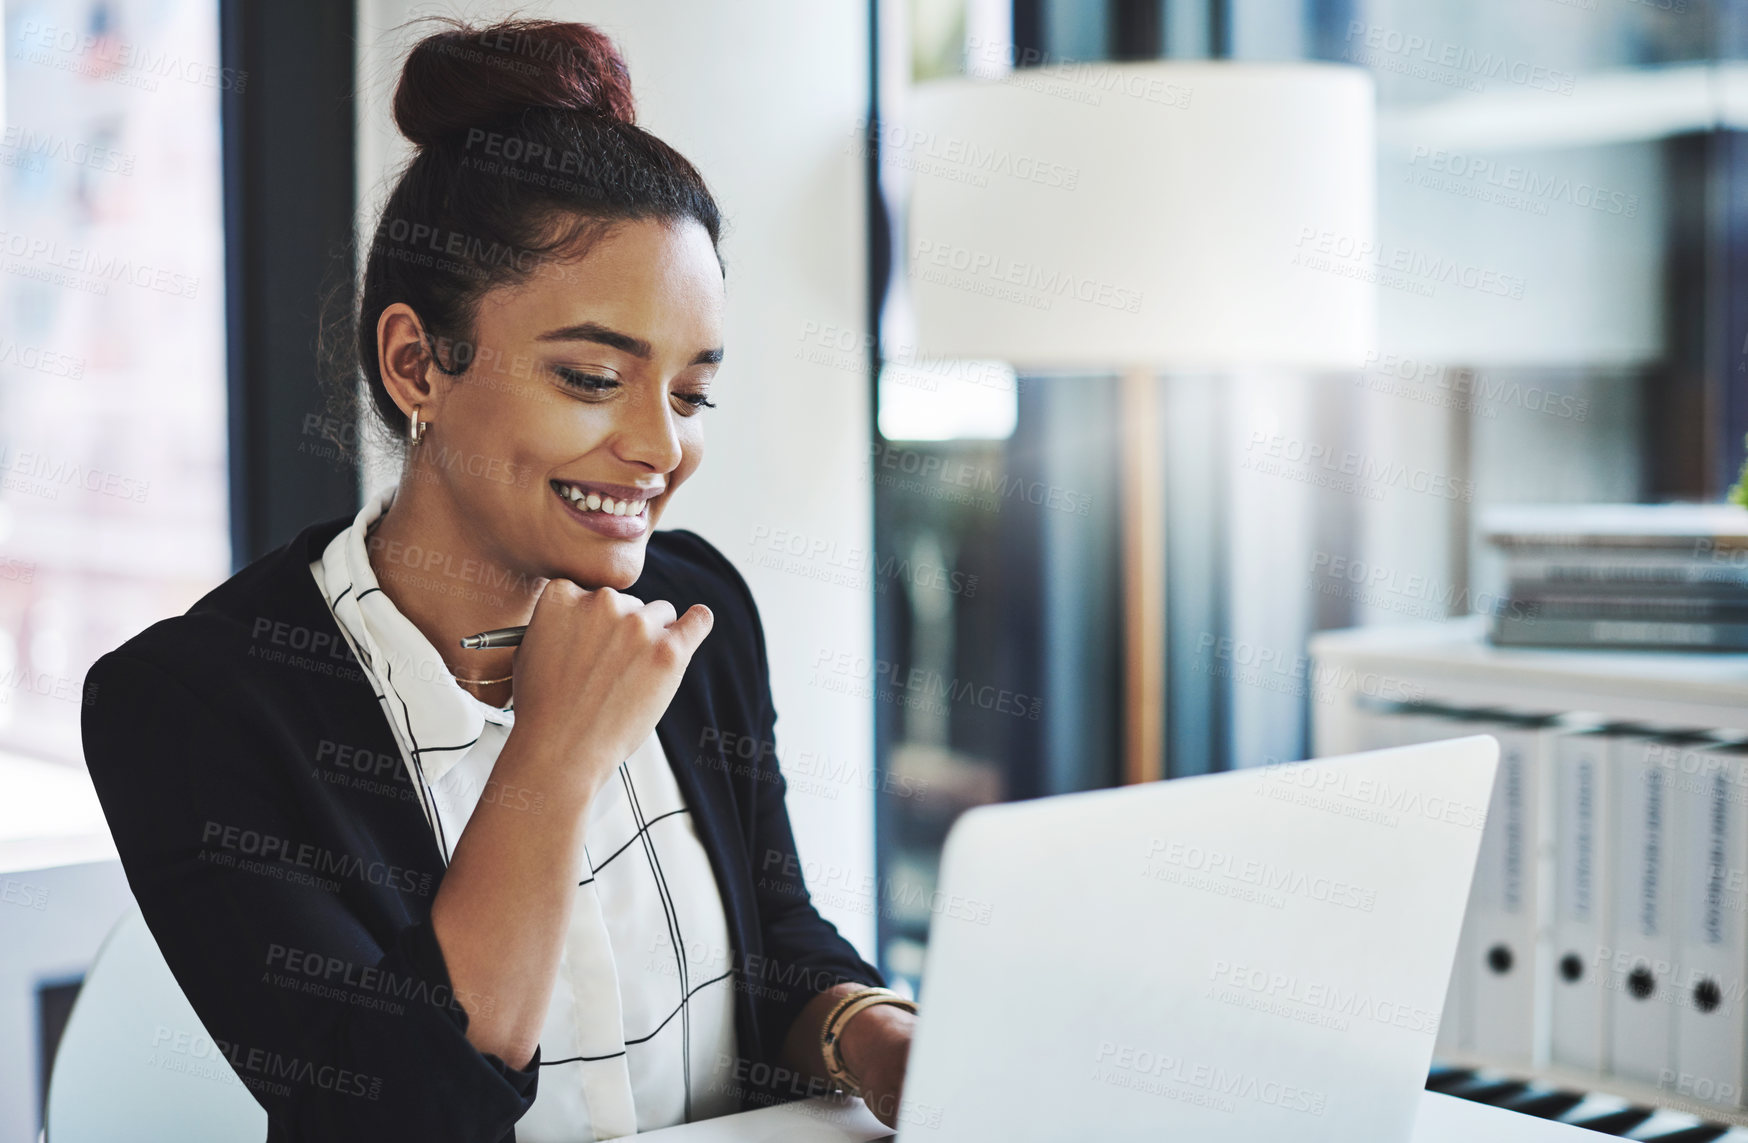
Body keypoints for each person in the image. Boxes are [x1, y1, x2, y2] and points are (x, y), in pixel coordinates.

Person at [80, 17, 914, 1143]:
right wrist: (553, 755)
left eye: (690, 393)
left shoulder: (693, 607)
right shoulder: (194, 707)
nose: (659, 447)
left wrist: (876, 1040)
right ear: (416, 362)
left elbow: (771, 935)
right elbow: (389, 1111)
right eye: (590, 377)